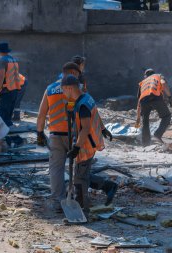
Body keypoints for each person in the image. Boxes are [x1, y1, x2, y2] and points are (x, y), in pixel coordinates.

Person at [37, 63, 117, 212]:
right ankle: (89, 195)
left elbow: (42, 114)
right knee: (80, 170)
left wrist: (40, 133)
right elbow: (90, 111)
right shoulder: (78, 91)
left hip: (64, 135)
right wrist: (103, 128)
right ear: (73, 74)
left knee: (58, 169)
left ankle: (60, 200)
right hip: (75, 134)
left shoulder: (50, 89)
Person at [62, 74, 117, 217]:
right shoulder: (87, 97)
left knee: (79, 180)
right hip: (93, 142)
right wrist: (104, 129)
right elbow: (97, 115)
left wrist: (76, 148)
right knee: (82, 174)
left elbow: (85, 128)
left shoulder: (82, 106)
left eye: (64, 90)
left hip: (86, 145)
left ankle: (82, 210)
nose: (63, 93)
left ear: (69, 88)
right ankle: (108, 186)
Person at [0, 42, 25, 127]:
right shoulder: (13, 59)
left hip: (6, 91)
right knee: (8, 116)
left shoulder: (2, 61)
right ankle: (10, 134)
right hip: (14, 89)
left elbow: (0, 78)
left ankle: (4, 135)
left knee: (3, 117)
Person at [135, 68, 172, 146]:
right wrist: (170, 97)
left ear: (145, 76)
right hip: (155, 97)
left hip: (144, 101)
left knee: (145, 122)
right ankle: (158, 134)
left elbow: (139, 102)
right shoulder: (158, 76)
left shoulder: (142, 82)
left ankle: (145, 144)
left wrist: (138, 118)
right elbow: (164, 84)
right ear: (153, 73)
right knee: (167, 116)